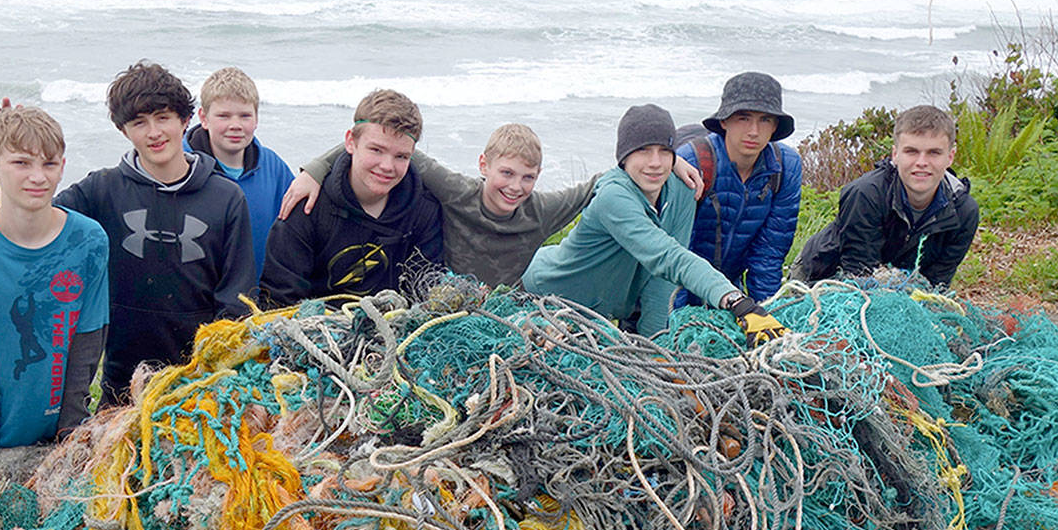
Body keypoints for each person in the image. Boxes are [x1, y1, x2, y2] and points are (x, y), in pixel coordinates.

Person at [0, 61, 257, 406]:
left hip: (202, 381)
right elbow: (23, 224)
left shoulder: (226, 198)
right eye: (139, 122)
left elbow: (236, 300)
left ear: (185, 120)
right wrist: (0, 156)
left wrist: (213, 370)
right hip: (121, 382)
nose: (154, 132)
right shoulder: (102, 190)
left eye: (163, 118)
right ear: (123, 130)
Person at [278, 124, 704, 287]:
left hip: (506, 311)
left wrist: (667, 162)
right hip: (442, 302)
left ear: (538, 177)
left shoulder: (543, 210)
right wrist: (317, 168)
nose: (515, 187)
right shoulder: (456, 191)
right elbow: (383, 139)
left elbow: (602, 180)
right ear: (484, 166)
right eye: (506, 173)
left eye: (527, 177)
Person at [521, 103, 787, 346]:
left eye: (664, 151)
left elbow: (663, 283)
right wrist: (735, 300)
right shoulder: (613, 197)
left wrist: (656, 349)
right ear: (624, 157)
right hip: (545, 296)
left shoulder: (682, 190)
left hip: (598, 317)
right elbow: (668, 257)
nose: (655, 163)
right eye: (643, 150)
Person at [0, 106, 108, 462]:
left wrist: (71, 428)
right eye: (21, 163)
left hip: (57, 428)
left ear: (62, 167)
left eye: (49, 163)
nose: (38, 177)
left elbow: (88, 339)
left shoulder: (89, 240)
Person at [260, 89, 443, 305]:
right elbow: (279, 297)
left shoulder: (423, 210)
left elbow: (424, 291)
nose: (387, 166)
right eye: (376, 150)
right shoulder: (308, 205)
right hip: (315, 321)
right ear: (350, 142)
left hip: (394, 321)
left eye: (401, 156)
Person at [790, 104, 979, 287]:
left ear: (950, 156)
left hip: (898, 281)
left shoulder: (963, 211)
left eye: (934, 153)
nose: (922, 162)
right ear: (895, 155)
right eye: (911, 151)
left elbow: (938, 281)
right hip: (820, 274)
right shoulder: (865, 194)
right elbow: (858, 273)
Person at [674, 71, 802, 305]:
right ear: (724, 121)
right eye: (743, 118)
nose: (754, 131)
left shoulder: (785, 168)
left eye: (765, 120)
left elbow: (769, 254)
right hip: (672, 286)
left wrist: (764, 312)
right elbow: (676, 253)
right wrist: (678, 318)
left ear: (775, 126)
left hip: (728, 290)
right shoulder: (694, 162)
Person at [183, 67, 294, 283]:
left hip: (258, 294)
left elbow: (296, 229)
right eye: (223, 116)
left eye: (245, 116)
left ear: (256, 118)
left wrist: (313, 176)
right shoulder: (181, 166)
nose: (235, 125)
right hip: (197, 294)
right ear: (204, 118)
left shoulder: (274, 167)